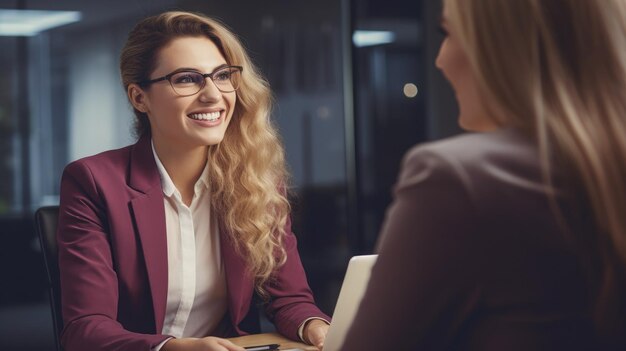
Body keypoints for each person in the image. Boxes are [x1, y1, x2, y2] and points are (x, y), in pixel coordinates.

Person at [340, 0, 626, 350]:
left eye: (448, 33)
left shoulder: (455, 180)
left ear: (506, 45)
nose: (440, 60)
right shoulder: (604, 170)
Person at [56, 11, 330, 351]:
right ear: (139, 98)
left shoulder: (256, 182)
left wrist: (315, 327)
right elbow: (86, 330)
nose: (214, 95)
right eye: (187, 79)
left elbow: (289, 299)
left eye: (222, 76)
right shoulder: (92, 182)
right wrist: (173, 348)